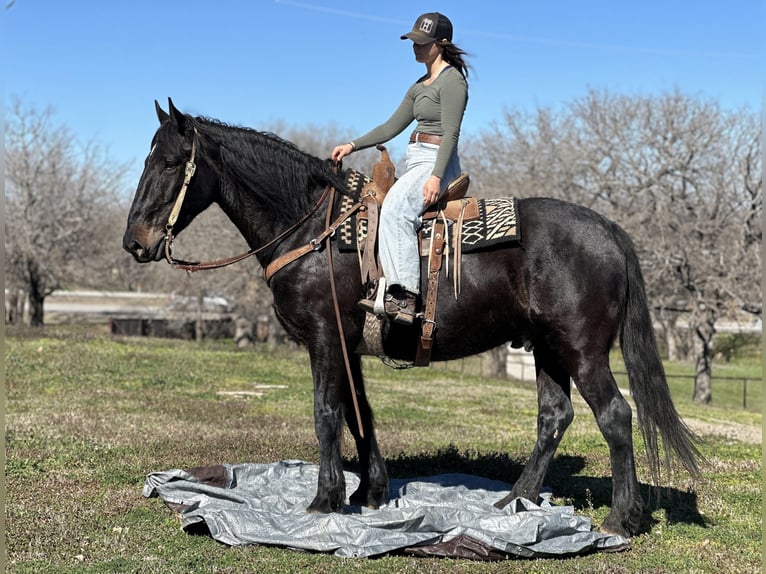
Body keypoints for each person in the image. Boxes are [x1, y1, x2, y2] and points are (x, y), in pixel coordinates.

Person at [331, 12, 470, 326]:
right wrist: (352, 145)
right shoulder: (419, 85)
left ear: (442, 43)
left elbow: (450, 133)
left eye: (423, 43)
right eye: (413, 42)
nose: (416, 47)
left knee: (396, 208)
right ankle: (384, 286)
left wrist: (436, 175)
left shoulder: (453, 81)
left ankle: (405, 296)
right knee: (380, 208)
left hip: (438, 160)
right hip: (415, 159)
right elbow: (390, 126)